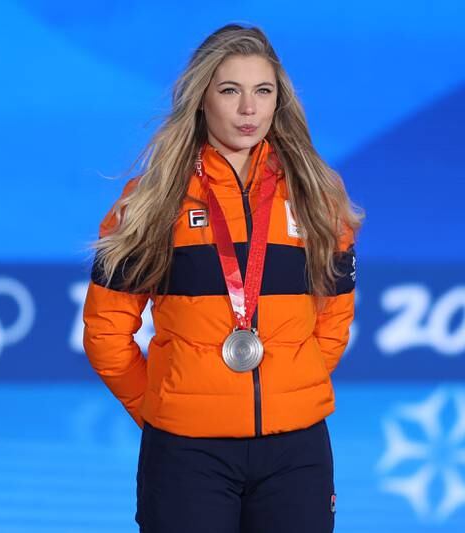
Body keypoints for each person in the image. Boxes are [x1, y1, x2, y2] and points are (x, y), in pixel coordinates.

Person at [82, 22, 363, 533]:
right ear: (201, 99)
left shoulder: (320, 199)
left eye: (263, 91)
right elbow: (105, 332)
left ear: (280, 101)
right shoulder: (147, 201)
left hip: (296, 450)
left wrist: (292, 385)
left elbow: (335, 313)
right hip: (187, 452)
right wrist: (161, 407)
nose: (248, 109)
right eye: (230, 90)